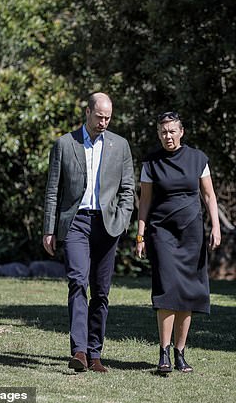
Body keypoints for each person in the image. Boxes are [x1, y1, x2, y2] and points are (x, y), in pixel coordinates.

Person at [43, 92, 135, 373]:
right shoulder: (64, 144)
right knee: (77, 282)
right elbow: (52, 190)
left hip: (108, 226)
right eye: (99, 117)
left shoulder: (120, 145)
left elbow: (128, 189)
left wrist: (122, 221)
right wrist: (49, 229)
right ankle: (79, 352)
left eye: (108, 118)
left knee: (102, 292)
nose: (103, 122)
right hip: (75, 223)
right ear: (87, 112)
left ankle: (95, 354)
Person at [135, 111, 221, 373]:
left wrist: (215, 227)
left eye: (172, 131)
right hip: (162, 233)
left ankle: (180, 352)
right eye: (163, 132)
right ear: (158, 134)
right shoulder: (151, 161)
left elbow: (209, 196)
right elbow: (145, 201)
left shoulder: (198, 159)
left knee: (188, 292)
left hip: (191, 232)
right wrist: (140, 234)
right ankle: (163, 353)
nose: (168, 136)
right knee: (167, 290)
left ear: (181, 132)